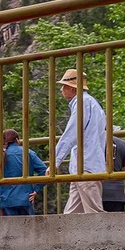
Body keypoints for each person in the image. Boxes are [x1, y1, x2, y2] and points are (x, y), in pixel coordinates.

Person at [53, 68, 108, 213]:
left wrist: (55, 162)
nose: (61, 90)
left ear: (72, 88)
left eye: (64, 86)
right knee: (71, 215)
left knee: (94, 214)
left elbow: (71, 134)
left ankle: (109, 236)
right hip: (84, 166)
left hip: (86, 166)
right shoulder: (92, 104)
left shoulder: (82, 103)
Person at [0, 129, 47, 216]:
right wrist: (36, 189)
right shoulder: (28, 152)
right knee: (28, 228)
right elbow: (44, 171)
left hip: (6, 200)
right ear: (17, 139)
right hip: (26, 198)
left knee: (10, 228)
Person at [101, 127, 125, 212]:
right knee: (117, 224)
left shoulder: (92, 143)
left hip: (96, 191)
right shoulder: (122, 143)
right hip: (117, 193)